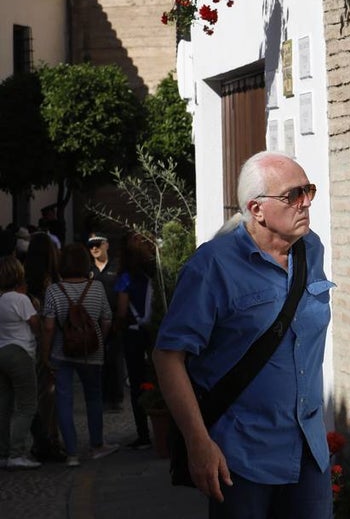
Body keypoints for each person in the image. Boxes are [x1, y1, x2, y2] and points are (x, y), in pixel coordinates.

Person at [154, 151, 333, 518]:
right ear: (256, 209)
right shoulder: (212, 266)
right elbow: (168, 356)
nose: (306, 203)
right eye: (293, 195)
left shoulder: (311, 249)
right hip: (241, 458)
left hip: (308, 452)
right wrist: (197, 442)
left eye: (308, 190)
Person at [42, 243, 118, 467]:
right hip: (91, 354)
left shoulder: (54, 290)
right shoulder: (97, 289)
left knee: (64, 401)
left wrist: (45, 355)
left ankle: (72, 453)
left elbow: (48, 327)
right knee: (93, 397)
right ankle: (97, 445)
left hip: (61, 351)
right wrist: (98, 340)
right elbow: (106, 319)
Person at [22, 233, 63, 462]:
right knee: (50, 394)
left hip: (28, 344)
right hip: (50, 343)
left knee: (37, 394)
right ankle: (49, 439)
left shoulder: (26, 283)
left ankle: (41, 439)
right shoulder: (54, 284)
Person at [114, 232, 156, 449]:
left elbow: (122, 310)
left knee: (137, 383)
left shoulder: (125, 278)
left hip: (133, 333)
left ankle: (143, 435)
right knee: (158, 380)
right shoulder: (154, 274)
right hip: (155, 332)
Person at [0, 256, 41, 469]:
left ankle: (3, 452)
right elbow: (35, 324)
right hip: (20, 352)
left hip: (1, 351)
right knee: (27, 404)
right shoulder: (20, 299)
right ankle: (17, 453)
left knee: (4, 406)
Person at [88, 235, 124, 411]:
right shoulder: (88, 269)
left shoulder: (116, 267)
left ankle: (115, 398)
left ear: (106, 245)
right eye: (91, 246)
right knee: (97, 360)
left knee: (114, 359)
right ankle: (100, 398)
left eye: (97, 245)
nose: (94, 249)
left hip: (115, 319)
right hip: (93, 321)